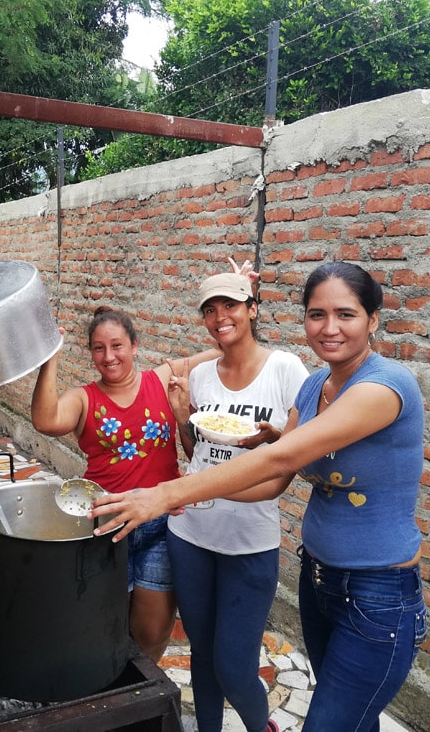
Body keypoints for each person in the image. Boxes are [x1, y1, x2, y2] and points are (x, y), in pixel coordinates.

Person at [92, 261, 428, 732]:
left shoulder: (385, 384)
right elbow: (268, 471)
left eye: (346, 314)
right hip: (317, 577)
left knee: (304, 706)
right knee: (344, 716)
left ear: (373, 319)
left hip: (375, 590)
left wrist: (164, 494)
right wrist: (242, 434)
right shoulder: (315, 387)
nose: (329, 328)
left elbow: (278, 465)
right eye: (316, 315)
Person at [165, 263, 309, 732]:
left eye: (230, 304)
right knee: (202, 656)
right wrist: (182, 413)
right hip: (190, 533)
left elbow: (294, 457)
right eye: (210, 309)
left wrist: (273, 439)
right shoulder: (203, 373)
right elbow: (198, 453)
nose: (219, 316)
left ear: (252, 308)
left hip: (250, 542)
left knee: (234, 665)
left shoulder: (286, 369)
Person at [30, 305, 218, 662]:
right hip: (105, 526)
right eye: (99, 348)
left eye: (117, 345)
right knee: (102, 623)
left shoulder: (161, 379)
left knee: (152, 631)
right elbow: (45, 419)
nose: (109, 356)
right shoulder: (85, 398)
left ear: (134, 346)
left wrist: (242, 300)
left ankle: (139, 692)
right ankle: (105, 688)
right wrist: (49, 358)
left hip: (162, 525)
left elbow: (224, 350)